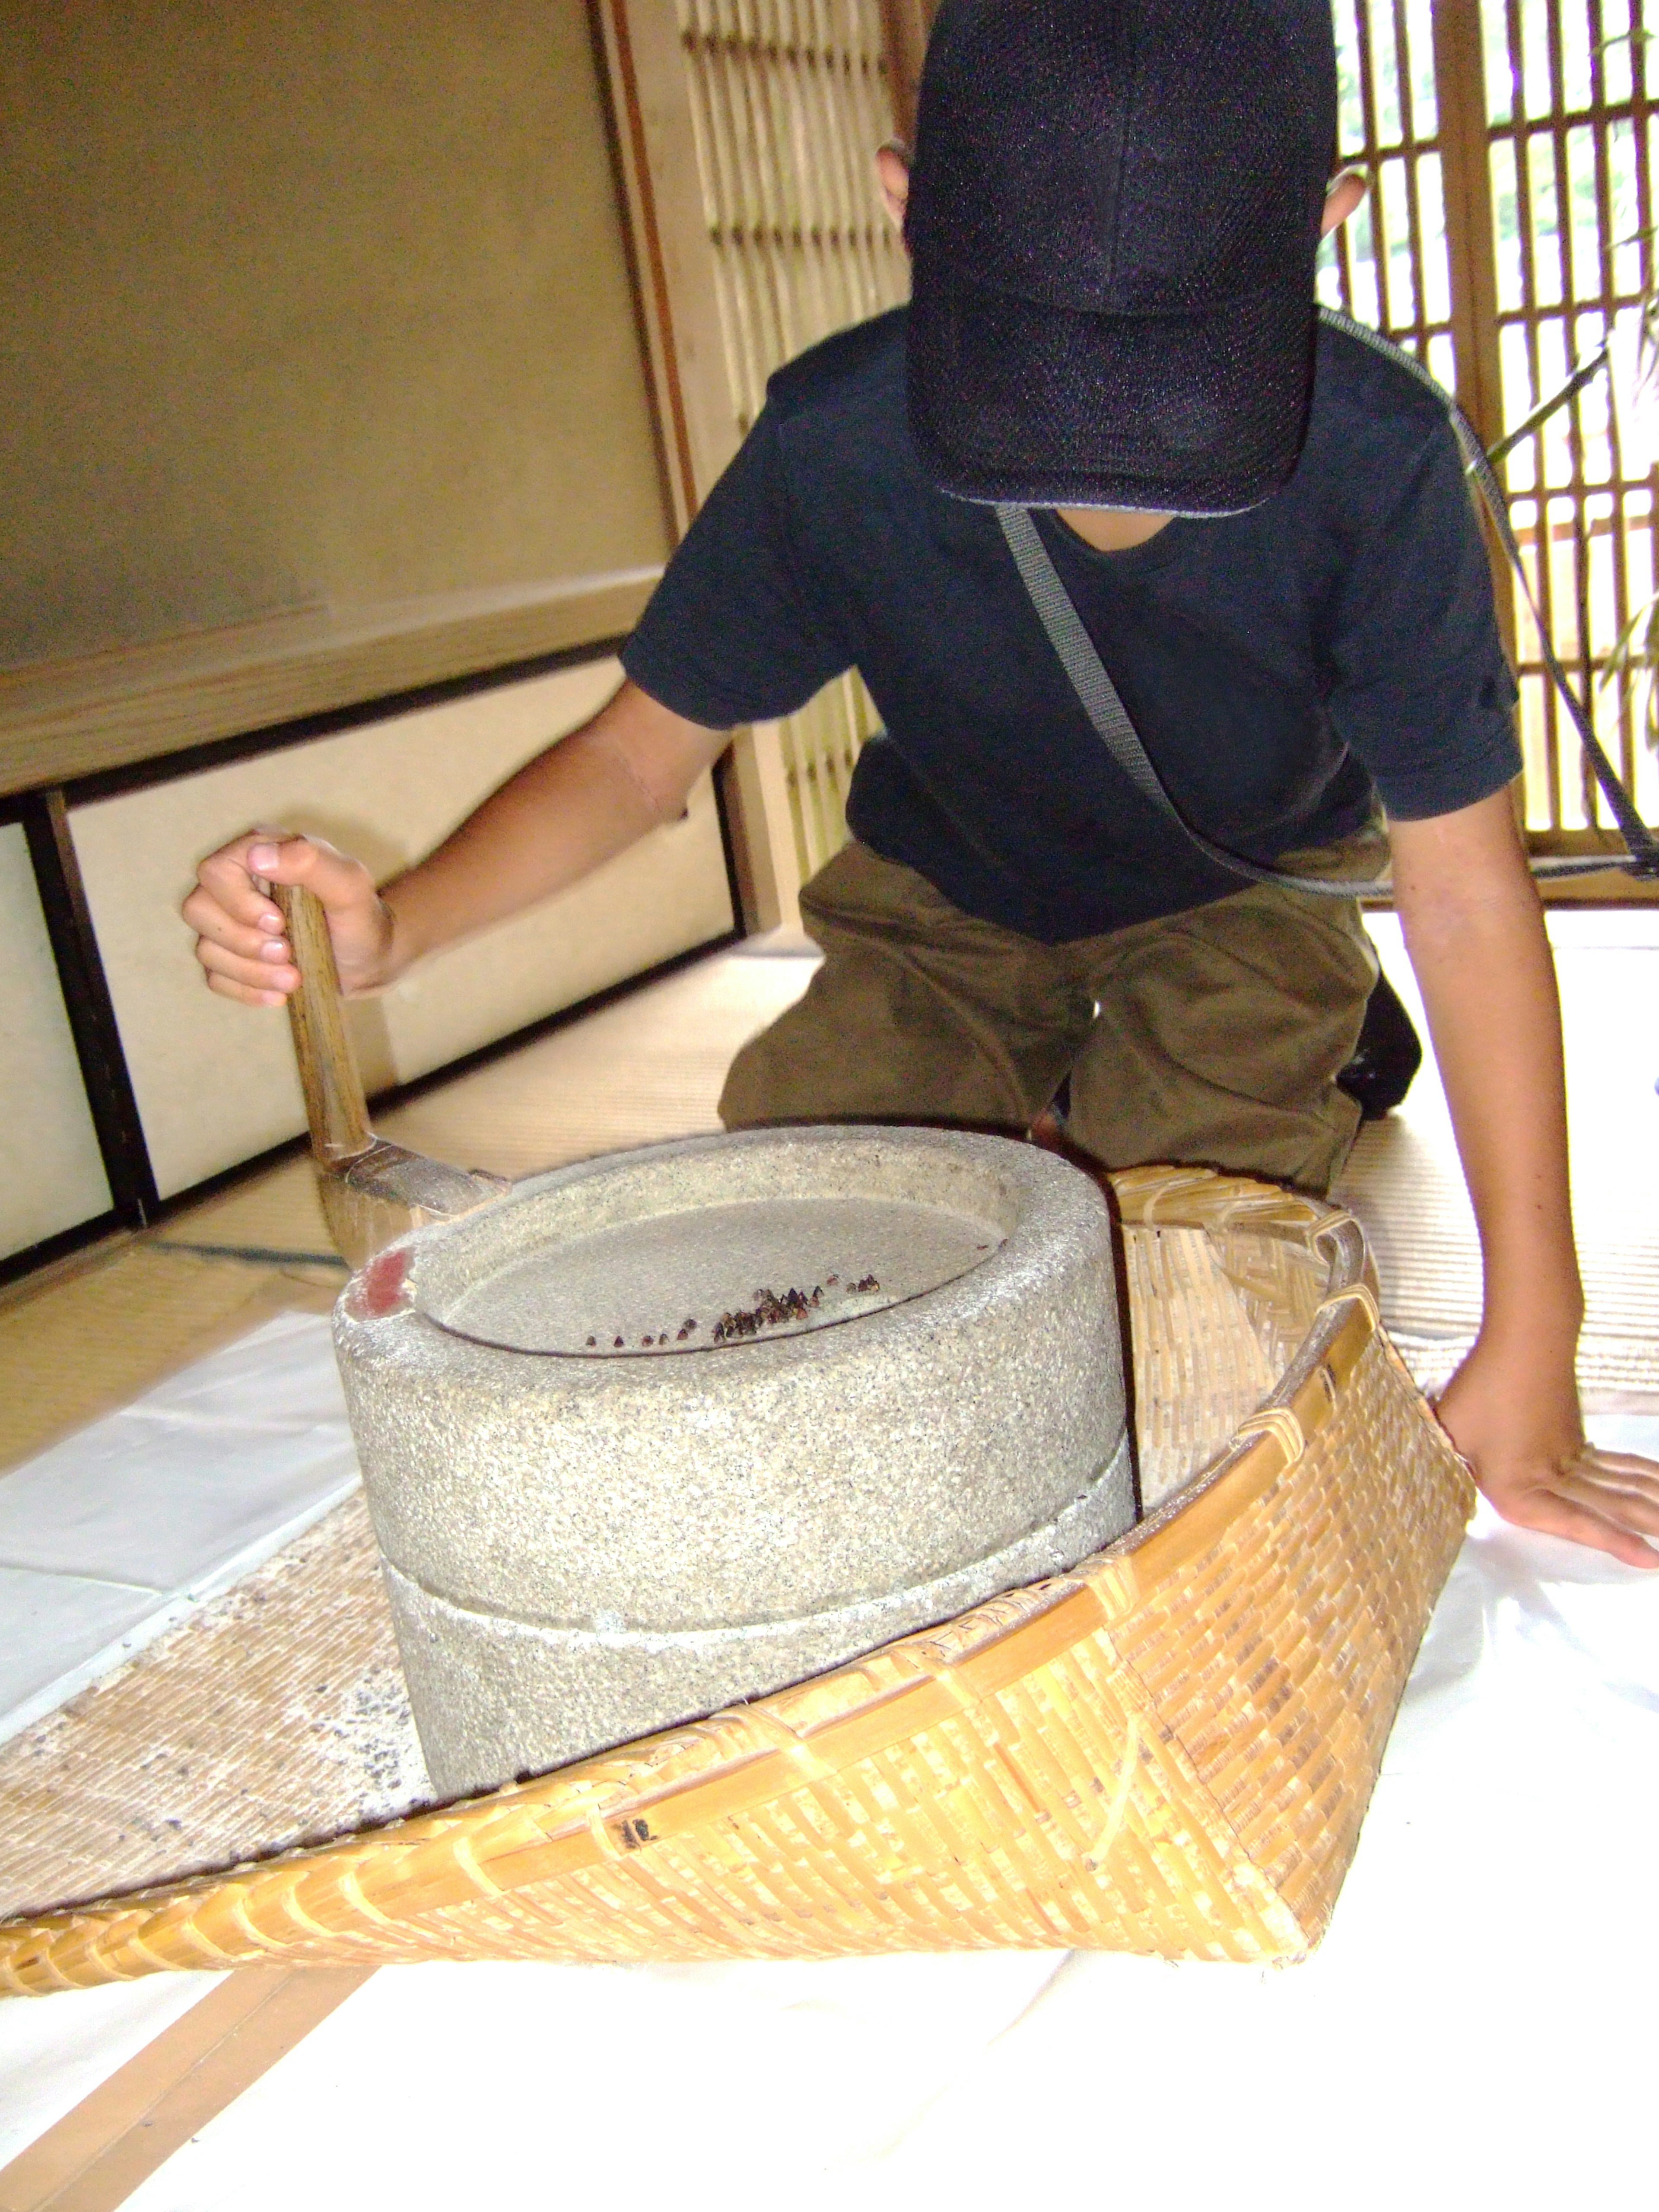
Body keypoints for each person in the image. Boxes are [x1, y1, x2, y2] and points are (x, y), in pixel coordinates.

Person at [184, 0, 1658, 1568]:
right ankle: (1106, 1076)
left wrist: (1538, 1328)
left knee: (1168, 1271)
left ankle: (1321, 1028)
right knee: (812, 1212)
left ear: (1326, 224)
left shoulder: (1381, 459)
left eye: (1170, 373)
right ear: (906, 207)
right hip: (947, 884)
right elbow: (637, 757)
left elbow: (1463, 882)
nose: (1103, 448)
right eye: (1041, 362)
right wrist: (398, 932)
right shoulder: (834, 443)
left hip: (1243, 876)